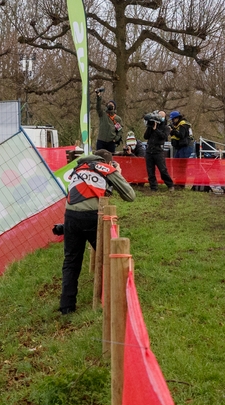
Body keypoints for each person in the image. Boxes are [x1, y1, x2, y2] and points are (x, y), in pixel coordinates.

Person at [57, 149, 136, 314]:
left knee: (71, 261)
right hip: (92, 216)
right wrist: (117, 174)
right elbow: (130, 195)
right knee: (108, 256)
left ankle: (66, 306)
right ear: (108, 162)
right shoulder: (106, 168)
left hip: (70, 215)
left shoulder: (78, 169)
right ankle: (113, 297)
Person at [142, 109, 173, 191]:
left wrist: (156, 129)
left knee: (163, 169)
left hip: (158, 150)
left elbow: (164, 137)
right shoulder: (151, 126)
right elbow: (145, 136)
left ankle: (170, 185)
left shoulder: (166, 128)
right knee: (150, 170)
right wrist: (150, 127)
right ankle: (153, 187)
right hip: (149, 150)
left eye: (162, 116)